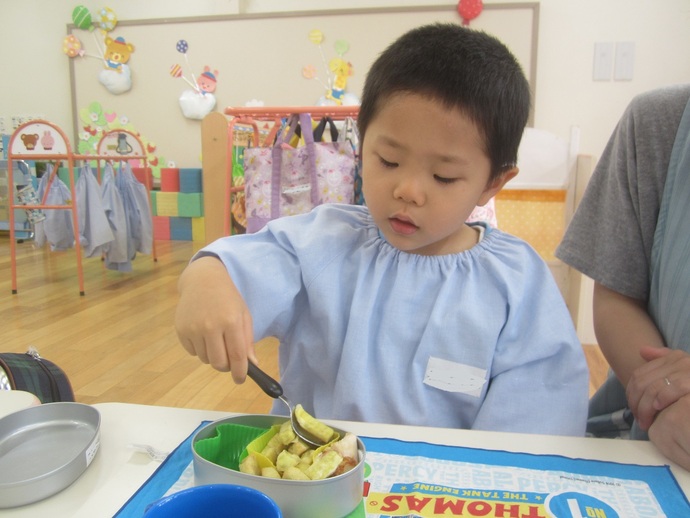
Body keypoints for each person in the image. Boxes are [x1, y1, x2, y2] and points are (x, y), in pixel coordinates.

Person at [175, 23, 589, 435]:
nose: (407, 190)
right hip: (317, 482)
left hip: (444, 494)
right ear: (361, 143)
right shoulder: (323, 241)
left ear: (492, 183)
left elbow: (540, 413)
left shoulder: (516, 282)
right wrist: (207, 280)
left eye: (444, 176)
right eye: (388, 161)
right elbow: (237, 268)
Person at [556, 84, 690, 468]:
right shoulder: (658, 122)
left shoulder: (514, 271)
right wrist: (667, 401)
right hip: (651, 436)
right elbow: (617, 298)